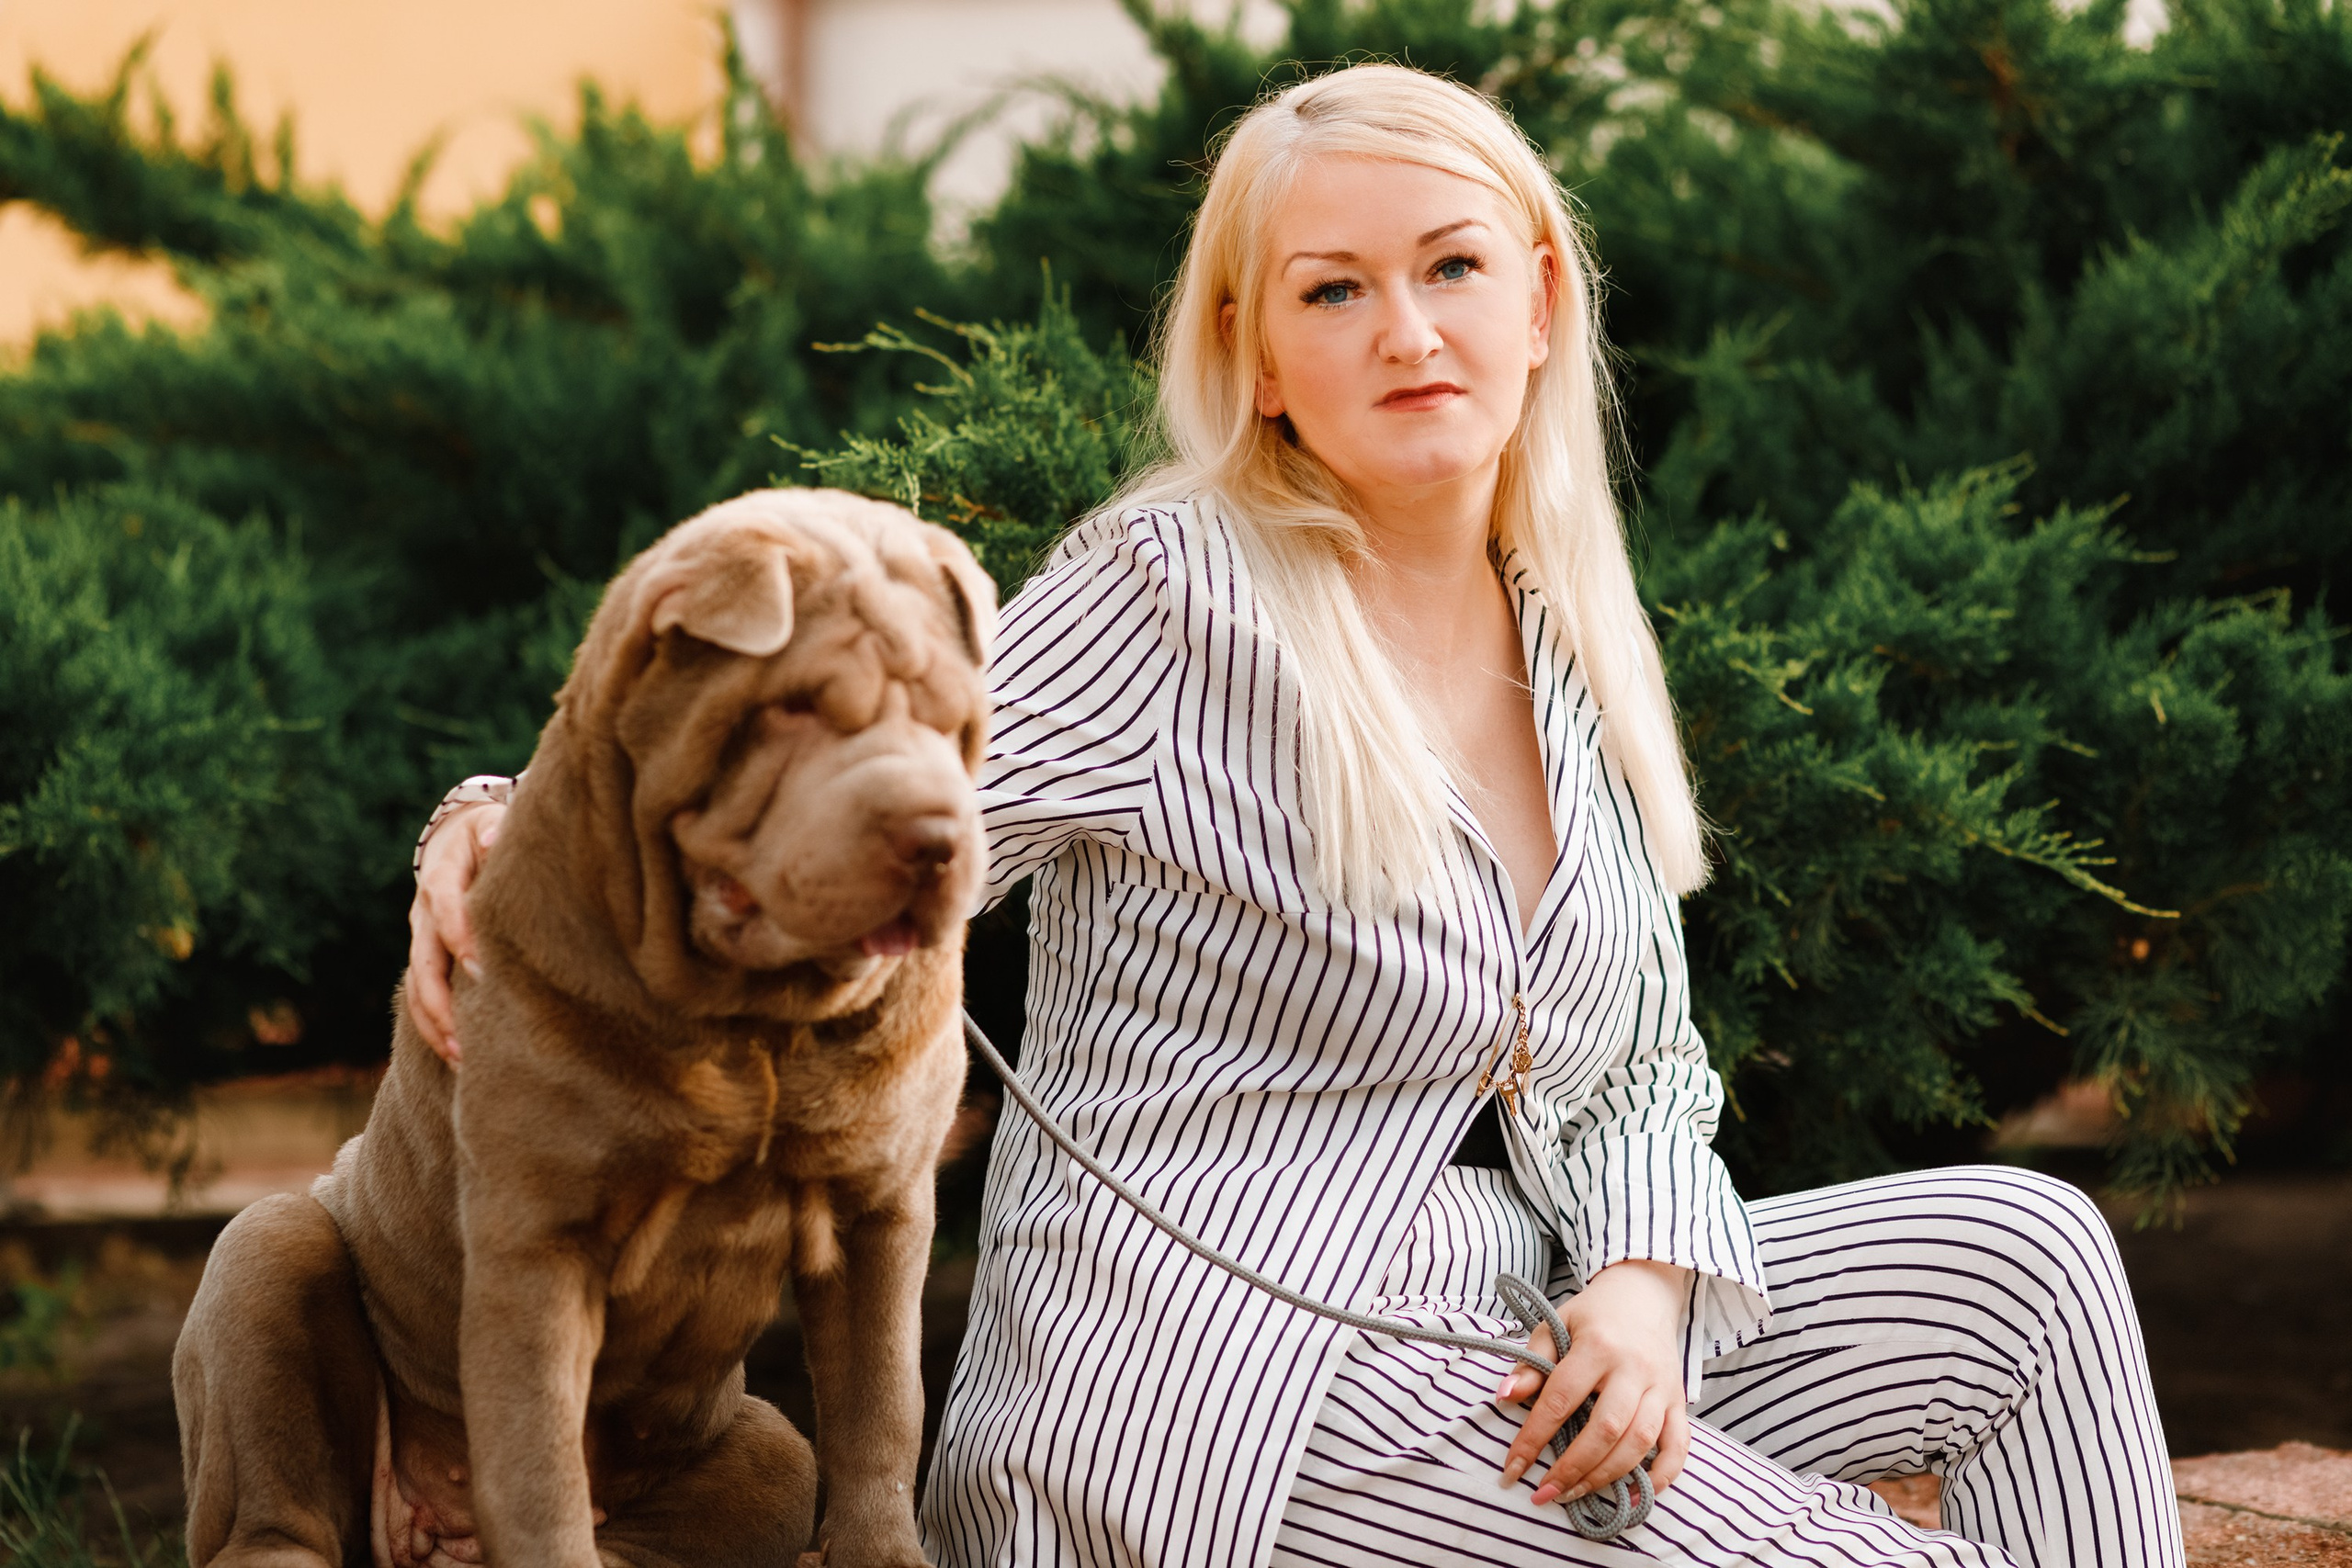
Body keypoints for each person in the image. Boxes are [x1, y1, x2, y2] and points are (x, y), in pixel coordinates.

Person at [407, 63, 2184, 1568]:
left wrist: (1645, 1286)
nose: (1407, 330)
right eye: (1334, 291)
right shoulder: (1168, 596)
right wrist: (499, 821)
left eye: (1453, 268)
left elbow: (1637, 1061)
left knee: (2030, 1255)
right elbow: (837, 808)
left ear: (1543, 297)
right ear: (1258, 357)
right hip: (1214, 1400)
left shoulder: (1564, 632)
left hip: (1502, 1322)